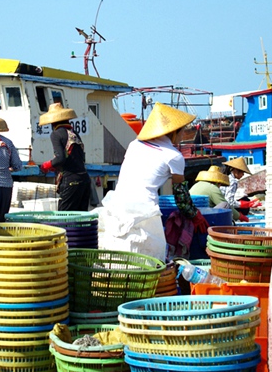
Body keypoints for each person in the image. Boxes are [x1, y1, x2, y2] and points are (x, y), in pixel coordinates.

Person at [100, 103, 208, 260]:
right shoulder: (174, 156)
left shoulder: (134, 144)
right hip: (145, 212)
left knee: (121, 257)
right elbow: (181, 197)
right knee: (149, 259)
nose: (184, 134)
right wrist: (195, 215)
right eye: (182, 130)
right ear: (173, 131)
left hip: (118, 205)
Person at [37, 103, 90, 211]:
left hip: (71, 180)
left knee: (64, 218)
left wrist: (46, 165)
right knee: (80, 219)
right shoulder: (74, 133)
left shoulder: (56, 134)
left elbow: (60, 158)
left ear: (53, 122)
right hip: (84, 180)